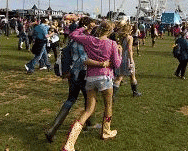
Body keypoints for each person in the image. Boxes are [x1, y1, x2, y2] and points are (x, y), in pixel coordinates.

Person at [61, 21, 121, 151]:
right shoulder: (112, 43)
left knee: (88, 110)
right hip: (105, 77)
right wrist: (119, 53)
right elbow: (116, 64)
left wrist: (85, 27)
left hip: (90, 77)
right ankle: (106, 131)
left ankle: (70, 143)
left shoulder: (89, 40)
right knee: (108, 105)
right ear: (110, 31)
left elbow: (73, 34)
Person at [45, 17, 105, 143]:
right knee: (90, 99)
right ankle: (90, 124)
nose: (94, 28)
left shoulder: (74, 39)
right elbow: (83, 59)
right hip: (82, 74)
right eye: (92, 25)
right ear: (87, 26)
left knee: (71, 99)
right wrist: (101, 63)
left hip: (72, 74)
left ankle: (53, 129)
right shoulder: (83, 40)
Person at [113, 24, 142, 99]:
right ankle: (135, 92)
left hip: (120, 58)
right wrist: (131, 60)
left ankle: (113, 94)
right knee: (132, 76)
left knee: (119, 77)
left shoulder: (120, 37)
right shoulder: (130, 38)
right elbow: (129, 50)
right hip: (126, 58)